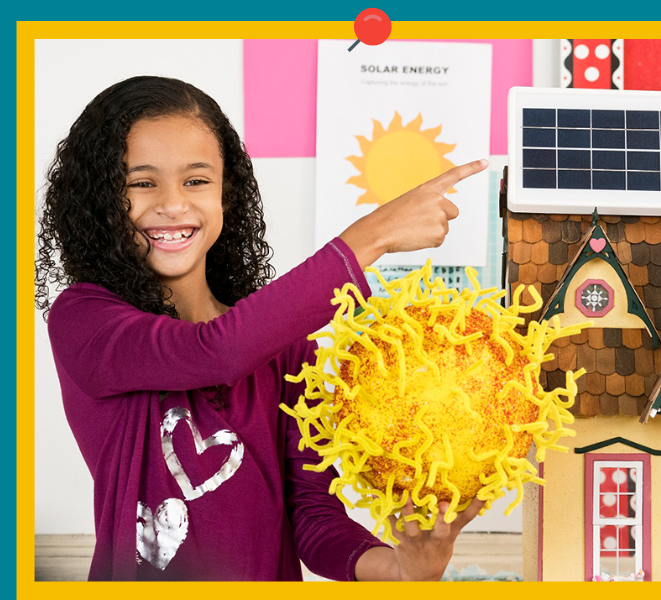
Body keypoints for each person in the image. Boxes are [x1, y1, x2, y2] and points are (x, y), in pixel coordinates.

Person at [34, 75, 488, 581]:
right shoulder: (85, 319)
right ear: (99, 200)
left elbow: (313, 517)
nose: (173, 203)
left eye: (196, 181)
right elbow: (216, 352)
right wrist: (371, 237)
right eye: (141, 183)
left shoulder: (286, 350)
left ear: (226, 194)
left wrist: (405, 568)